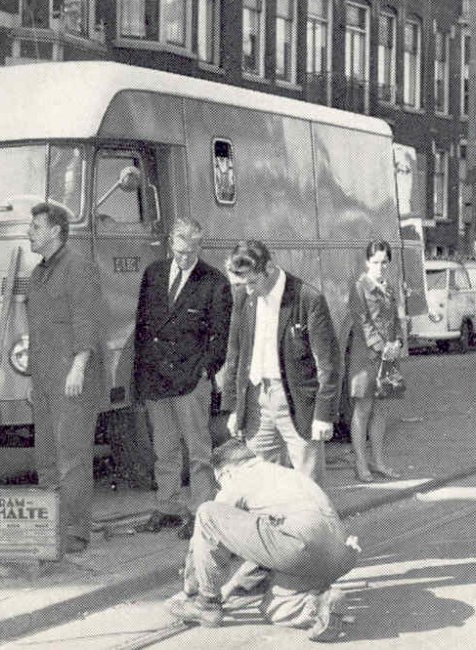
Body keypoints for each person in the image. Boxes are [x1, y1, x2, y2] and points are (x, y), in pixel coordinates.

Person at [167, 438, 360, 642]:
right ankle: (320, 606)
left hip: (302, 547)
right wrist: (232, 586)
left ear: (225, 473)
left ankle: (206, 606)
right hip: (342, 554)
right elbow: (263, 545)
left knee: (207, 513)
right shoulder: (285, 475)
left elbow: (206, 531)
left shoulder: (237, 479)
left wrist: (191, 589)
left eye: (219, 482)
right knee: (273, 606)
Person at [134, 217, 232, 539]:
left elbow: (220, 335)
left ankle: (201, 512)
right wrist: (141, 374)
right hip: (156, 378)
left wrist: (206, 370)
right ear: (170, 246)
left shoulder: (214, 281)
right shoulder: (154, 274)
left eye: (190, 253)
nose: (184, 258)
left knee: (198, 450)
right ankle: (168, 506)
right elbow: (143, 326)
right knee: (164, 448)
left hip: (190, 379)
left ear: (199, 248)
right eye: (179, 252)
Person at [224, 241, 339, 484]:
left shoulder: (307, 298)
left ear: (269, 267)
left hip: (296, 402)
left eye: (253, 282)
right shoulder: (244, 297)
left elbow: (327, 364)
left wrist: (323, 415)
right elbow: (235, 354)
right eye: (243, 284)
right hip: (256, 400)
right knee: (261, 484)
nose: (248, 291)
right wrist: (235, 408)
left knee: (309, 486)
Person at [26, 201, 105, 555]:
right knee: (46, 454)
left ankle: (74, 531)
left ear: (56, 230)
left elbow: (86, 319)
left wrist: (79, 364)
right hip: (44, 376)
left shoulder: (78, 267)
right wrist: (32, 378)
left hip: (73, 374)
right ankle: (50, 526)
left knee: (71, 453)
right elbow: (37, 329)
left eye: (36, 227)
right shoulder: (37, 273)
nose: (30, 233)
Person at [347, 239, 404, 482]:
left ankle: (378, 461)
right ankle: (361, 464)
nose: (380, 267)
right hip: (366, 359)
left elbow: (396, 320)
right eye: (376, 262)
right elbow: (362, 323)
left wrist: (398, 342)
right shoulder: (359, 287)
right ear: (367, 262)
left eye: (384, 262)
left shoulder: (388, 287)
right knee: (363, 410)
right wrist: (383, 348)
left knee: (381, 411)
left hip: (388, 357)